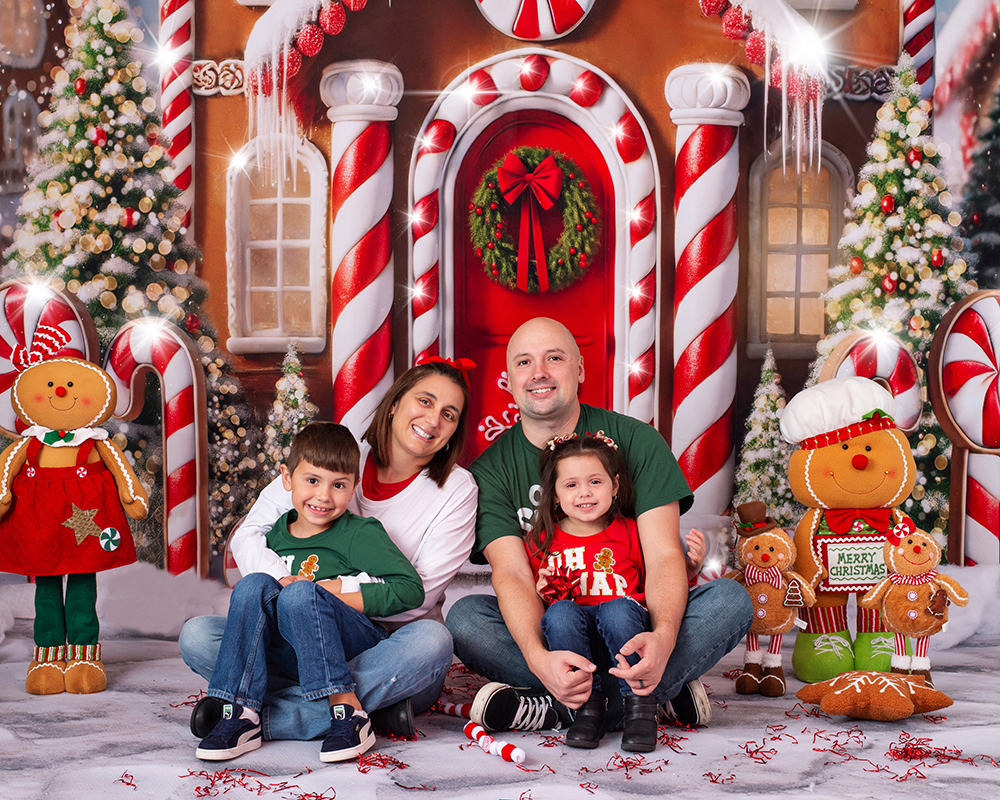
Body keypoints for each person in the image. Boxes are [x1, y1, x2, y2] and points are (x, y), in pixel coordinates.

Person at [446, 317, 753, 734]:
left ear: (580, 369)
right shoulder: (490, 471)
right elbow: (513, 574)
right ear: (509, 380)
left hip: (630, 621)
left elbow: (663, 555)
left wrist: (662, 640)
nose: (538, 372)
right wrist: (539, 659)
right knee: (466, 617)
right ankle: (643, 698)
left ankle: (570, 707)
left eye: (554, 358)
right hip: (558, 627)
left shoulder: (638, 442)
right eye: (524, 362)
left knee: (730, 599)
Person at [179, 358, 478, 745]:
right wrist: (288, 589)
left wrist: (316, 595)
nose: (433, 420)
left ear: (455, 430)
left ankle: (263, 715)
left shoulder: (457, 489)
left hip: (385, 649)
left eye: (449, 414)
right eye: (424, 401)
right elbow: (250, 533)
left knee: (433, 642)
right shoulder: (336, 453)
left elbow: (415, 600)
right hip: (295, 637)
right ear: (395, 403)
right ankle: (369, 708)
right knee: (199, 635)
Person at [528, 432, 707, 752]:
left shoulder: (630, 530)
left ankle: (640, 708)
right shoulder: (543, 540)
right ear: (554, 495)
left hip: (625, 631)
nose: (584, 492)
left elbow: (659, 577)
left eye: (595, 482)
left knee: (617, 609)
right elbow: (534, 598)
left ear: (614, 485)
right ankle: (588, 708)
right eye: (571, 485)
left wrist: (689, 571)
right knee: (559, 612)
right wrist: (541, 592)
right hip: (576, 641)